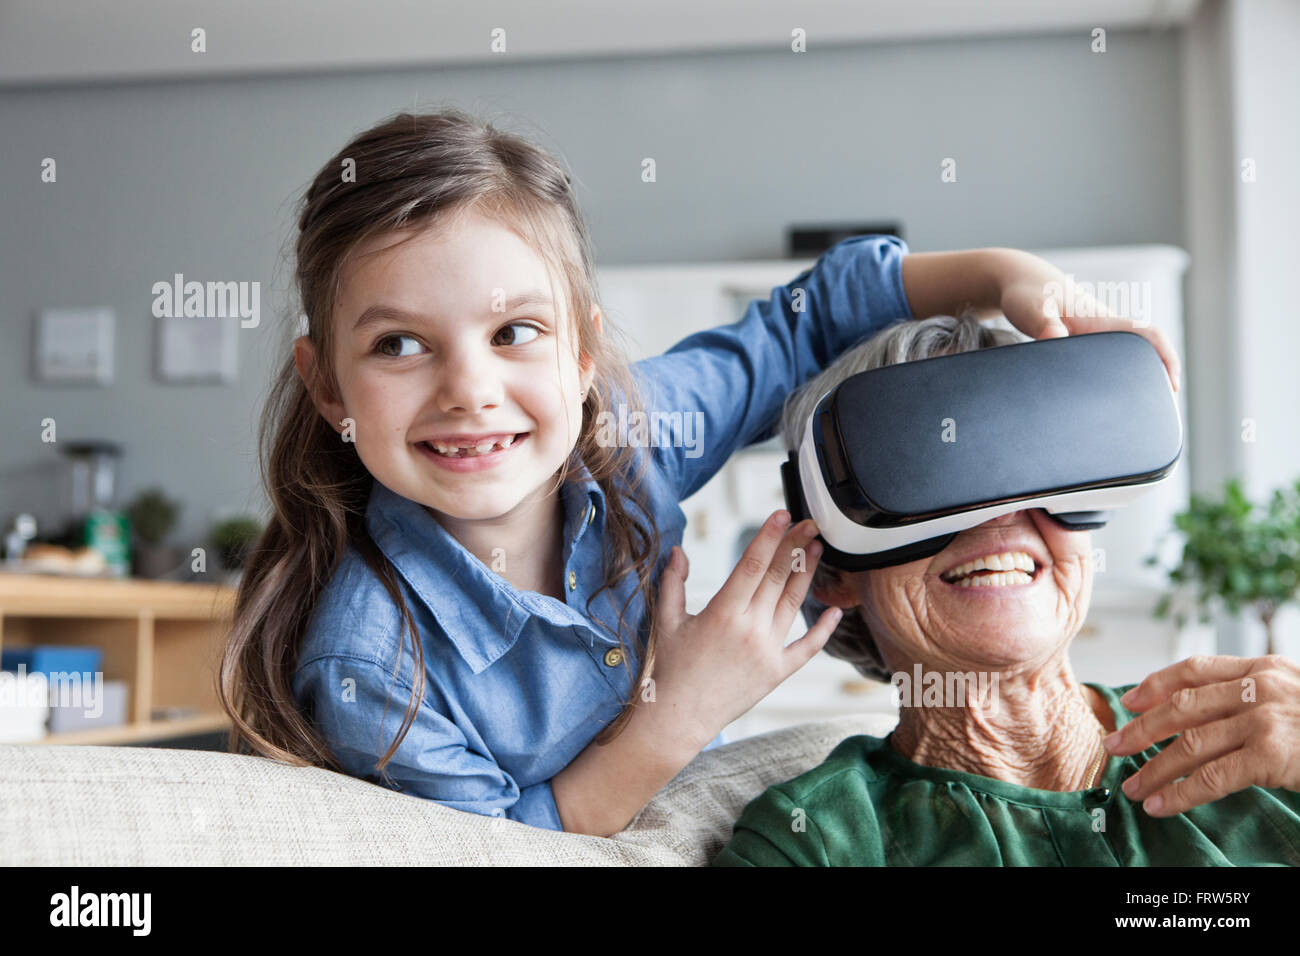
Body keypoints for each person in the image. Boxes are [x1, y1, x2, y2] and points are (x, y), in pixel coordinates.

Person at [218, 107, 1183, 836]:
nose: (470, 389)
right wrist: (682, 709)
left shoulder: (635, 432)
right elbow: (499, 854)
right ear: (330, 389)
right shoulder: (368, 665)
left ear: (583, 355)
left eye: (515, 331)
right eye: (398, 345)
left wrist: (1009, 274)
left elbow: (808, 318)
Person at [712, 314, 1300, 865]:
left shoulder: (1258, 737)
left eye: (1033, 467)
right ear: (836, 570)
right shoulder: (810, 842)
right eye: (922, 478)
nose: (998, 517)